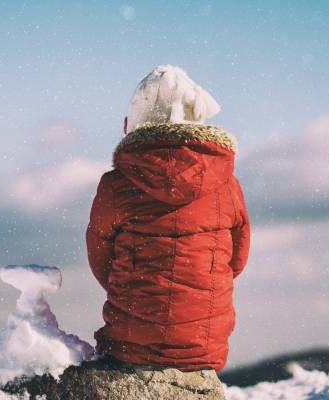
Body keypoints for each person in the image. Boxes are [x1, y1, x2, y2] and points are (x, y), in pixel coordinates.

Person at [85, 64, 252, 374]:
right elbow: (237, 260)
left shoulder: (116, 184)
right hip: (204, 349)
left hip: (130, 344)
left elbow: (101, 259)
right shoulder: (227, 184)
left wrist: (136, 290)